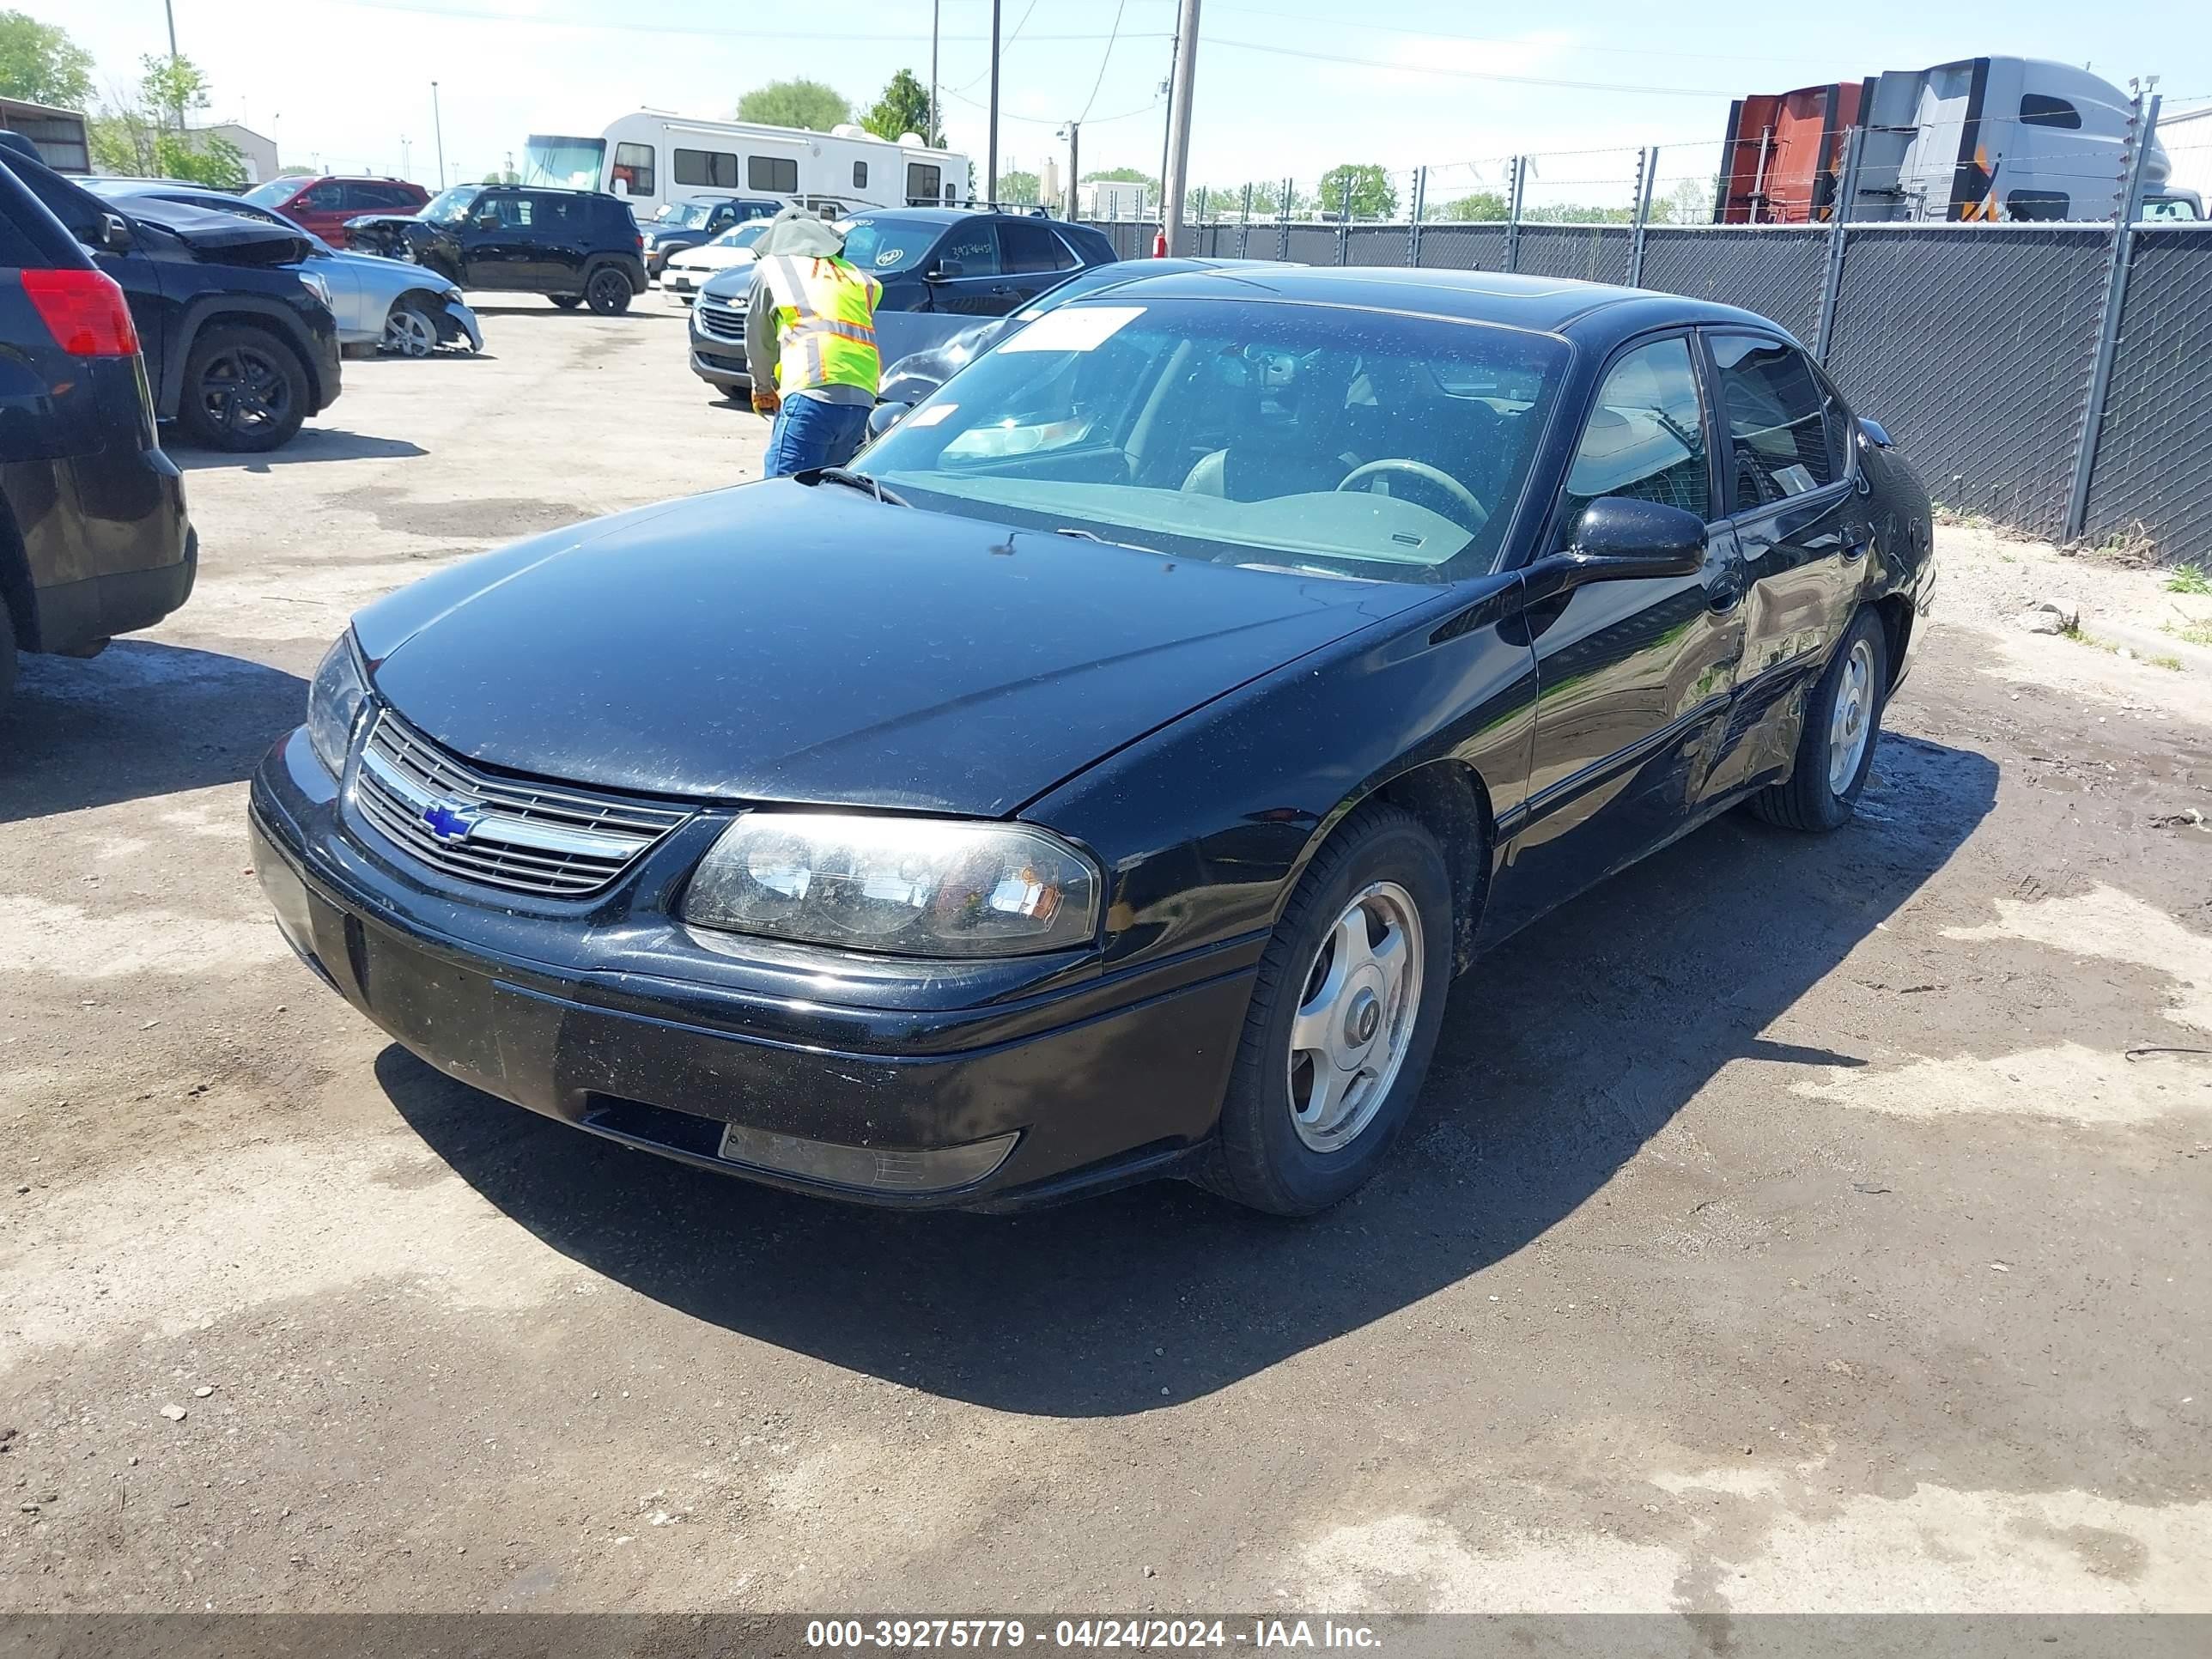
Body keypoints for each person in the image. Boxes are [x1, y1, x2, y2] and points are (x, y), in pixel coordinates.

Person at [743, 207, 884, 477]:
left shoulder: (772, 269)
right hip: (862, 398)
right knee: (826, 492)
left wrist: (762, 388)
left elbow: (759, 340)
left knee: (784, 491)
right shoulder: (860, 279)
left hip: (812, 392)